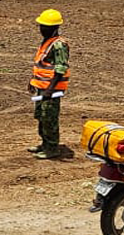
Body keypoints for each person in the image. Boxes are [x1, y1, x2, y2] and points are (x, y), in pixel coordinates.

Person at [27, 8, 71, 159]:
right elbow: (42, 65)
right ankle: (45, 144)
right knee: (41, 116)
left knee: (49, 118)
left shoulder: (59, 45)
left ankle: (52, 148)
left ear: (55, 27)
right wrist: (33, 82)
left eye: (45, 26)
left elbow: (60, 68)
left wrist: (50, 89)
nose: (41, 29)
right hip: (42, 87)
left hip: (51, 89)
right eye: (41, 26)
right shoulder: (47, 42)